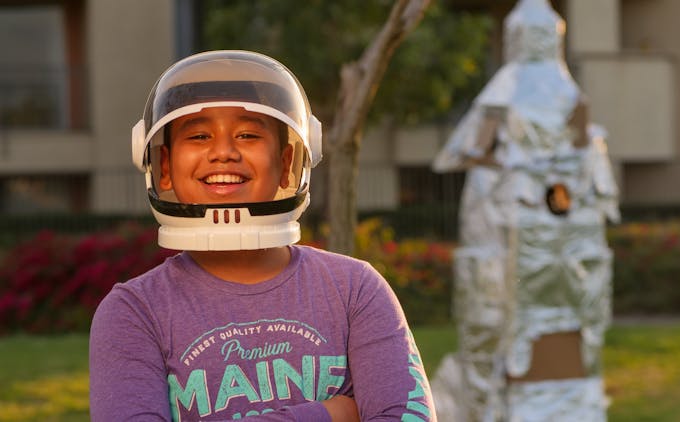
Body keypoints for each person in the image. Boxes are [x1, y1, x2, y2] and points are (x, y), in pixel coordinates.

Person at [89, 50, 436, 421]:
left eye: (248, 134)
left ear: (287, 163)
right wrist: (328, 414)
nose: (223, 152)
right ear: (165, 165)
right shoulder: (134, 312)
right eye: (200, 135)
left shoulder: (354, 289)